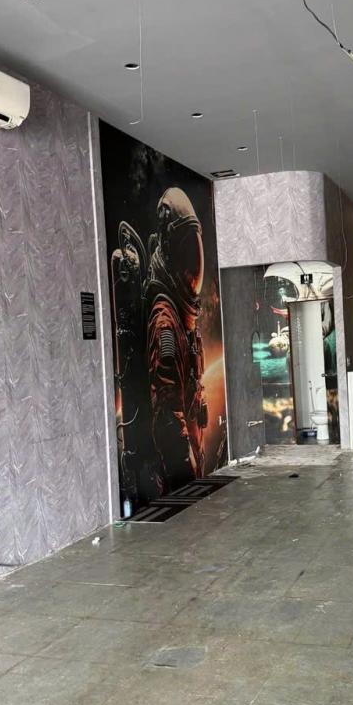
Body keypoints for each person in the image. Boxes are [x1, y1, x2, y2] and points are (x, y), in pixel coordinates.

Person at [145, 188, 208, 492]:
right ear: (171, 253)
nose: (193, 270)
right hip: (181, 479)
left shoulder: (181, 322)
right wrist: (189, 475)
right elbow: (168, 417)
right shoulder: (165, 323)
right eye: (187, 256)